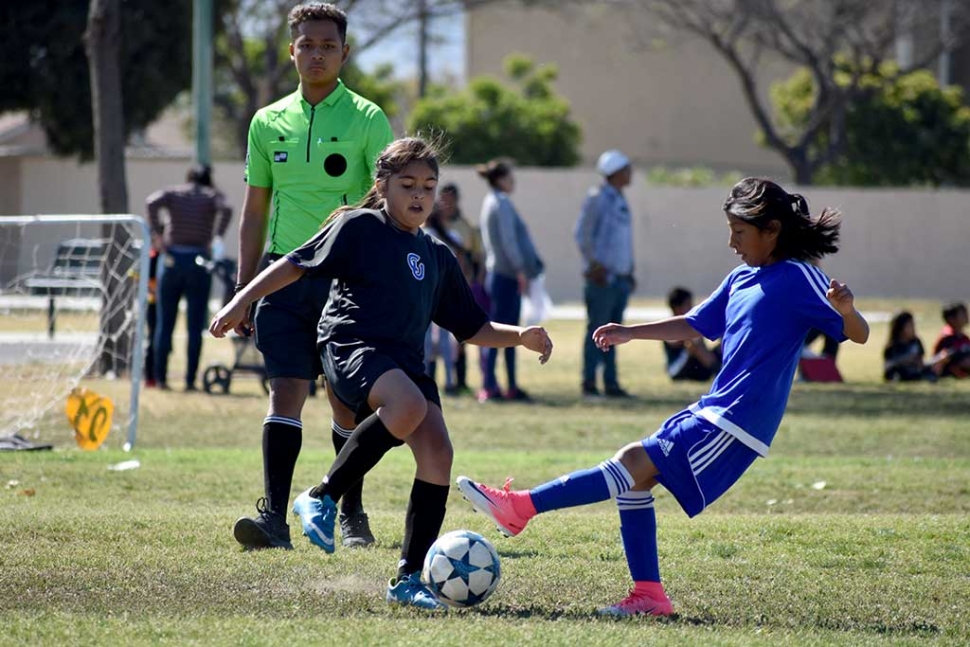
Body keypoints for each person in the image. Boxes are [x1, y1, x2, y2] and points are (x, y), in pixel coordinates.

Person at [457, 177, 869, 617]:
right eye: (729, 230)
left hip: (738, 420)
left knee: (633, 461)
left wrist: (846, 311)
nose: (731, 242)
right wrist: (630, 332)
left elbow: (857, 335)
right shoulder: (742, 277)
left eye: (739, 232)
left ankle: (521, 508)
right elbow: (694, 323)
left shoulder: (799, 277)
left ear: (771, 230)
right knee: (634, 477)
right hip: (716, 409)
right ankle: (649, 595)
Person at [209, 137, 554, 610]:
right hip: (351, 342)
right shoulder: (360, 226)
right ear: (382, 186)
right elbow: (295, 263)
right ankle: (322, 497)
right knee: (407, 406)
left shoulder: (437, 255)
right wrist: (240, 300)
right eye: (407, 184)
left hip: (404, 360)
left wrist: (521, 335)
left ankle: (408, 579)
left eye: (429, 187)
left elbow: (472, 327)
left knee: (438, 453)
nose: (419, 195)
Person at [231, 2, 394, 551]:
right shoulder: (266, 120)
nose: (317, 53)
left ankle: (351, 512)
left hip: (345, 281)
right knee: (285, 393)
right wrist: (244, 287)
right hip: (281, 276)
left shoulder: (368, 119)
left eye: (328, 45)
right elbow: (255, 211)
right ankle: (274, 519)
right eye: (307, 44)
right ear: (292, 50)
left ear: (344, 53)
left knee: (347, 404)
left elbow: (382, 204)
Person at [146, 163, 232, 391]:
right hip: (198, 262)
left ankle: (161, 378)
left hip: (172, 260)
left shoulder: (174, 193)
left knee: (165, 324)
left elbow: (151, 202)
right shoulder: (210, 196)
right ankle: (190, 380)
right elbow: (227, 208)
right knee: (195, 325)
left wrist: (158, 235)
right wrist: (216, 237)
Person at [478, 159, 544, 402]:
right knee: (509, 334)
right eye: (509, 177)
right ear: (499, 179)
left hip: (498, 274)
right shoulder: (501, 203)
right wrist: (520, 270)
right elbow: (508, 241)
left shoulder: (490, 202)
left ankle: (502, 384)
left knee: (501, 333)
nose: (512, 181)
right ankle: (497, 385)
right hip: (505, 276)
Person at [575, 150, 636, 398]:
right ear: (615, 172)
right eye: (626, 168)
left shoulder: (620, 199)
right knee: (596, 330)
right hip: (602, 279)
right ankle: (589, 382)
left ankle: (611, 382)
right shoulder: (597, 198)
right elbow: (582, 234)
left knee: (614, 333)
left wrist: (629, 270)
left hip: (620, 279)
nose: (630, 173)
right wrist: (594, 265)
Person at [435, 183, 486, 394]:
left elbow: (478, 255)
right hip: (435, 287)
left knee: (461, 336)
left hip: (459, 286)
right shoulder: (430, 225)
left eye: (450, 200)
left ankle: (459, 380)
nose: (446, 204)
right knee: (434, 340)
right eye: (443, 199)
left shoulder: (466, 227)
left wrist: (476, 282)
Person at [663, 287, 721, 381]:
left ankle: (721, 369)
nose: (692, 307)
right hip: (678, 370)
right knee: (693, 343)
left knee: (722, 345)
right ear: (677, 308)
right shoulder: (669, 326)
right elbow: (674, 341)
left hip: (696, 367)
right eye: (688, 304)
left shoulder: (690, 324)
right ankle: (718, 370)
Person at [883, 311, 937, 382]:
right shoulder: (892, 346)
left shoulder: (916, 342)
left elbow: (920, 362)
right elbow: (889, 365)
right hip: (899, 372)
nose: (914, 328)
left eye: (914, 325)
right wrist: (905, 360)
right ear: (900, 328)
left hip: (914, 371)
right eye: (910, 325)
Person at [932, 302, 970, 379]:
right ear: (951, 319)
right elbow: (940, 360)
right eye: (963, 314)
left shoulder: (964, 338)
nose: (967, 316)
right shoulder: (947, 338)